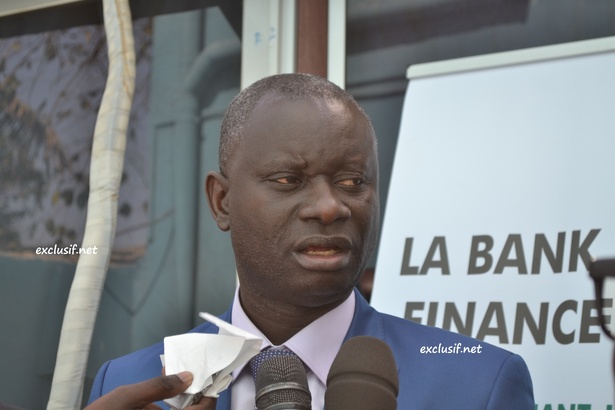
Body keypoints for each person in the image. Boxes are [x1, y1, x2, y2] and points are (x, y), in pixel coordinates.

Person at [88, 73, 534, 409]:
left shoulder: (481, 383)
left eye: (352, 180)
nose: (329, 207)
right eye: (288, 179)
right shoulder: (130, 386)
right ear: (222, 201)